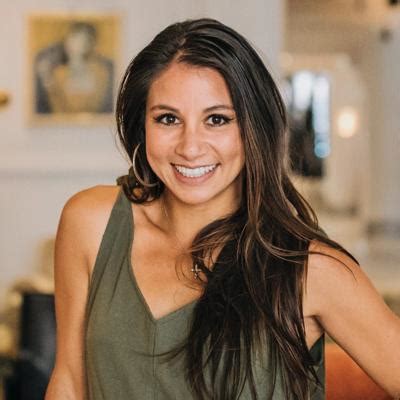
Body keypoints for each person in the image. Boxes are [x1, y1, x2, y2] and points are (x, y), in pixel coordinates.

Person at [45, 18, 400, 400]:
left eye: (217, 120)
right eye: (168, 119)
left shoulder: (311, 269)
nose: (190, 147)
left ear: (253, 128)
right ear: (141, 125)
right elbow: (69, 381)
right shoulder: (90, 223)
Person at [35, 22, 114, 114]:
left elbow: (102, 110)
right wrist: (47, 79)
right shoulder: (58, 74)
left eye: (82, 39)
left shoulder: (101, 72)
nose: (75, 43)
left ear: (90, 43)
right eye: (73, 38)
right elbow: (57, 110)